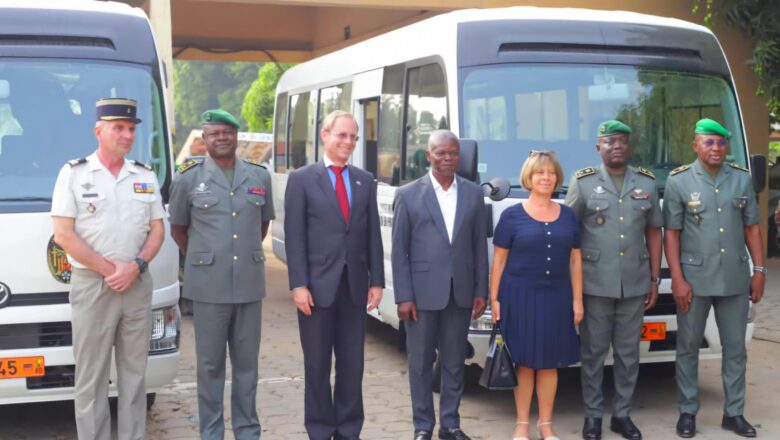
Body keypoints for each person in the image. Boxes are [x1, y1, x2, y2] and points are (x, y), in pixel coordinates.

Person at [51, 98, 165, 440]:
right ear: (98, 130)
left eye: (131, 128)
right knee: (91, 378)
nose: (127, 135)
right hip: (92, 287)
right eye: (119, 128)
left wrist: (136, 266)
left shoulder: (144, 175)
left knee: (135, 376)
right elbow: (63, 234)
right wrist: (110, 270)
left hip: (136, 285)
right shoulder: (74, 173)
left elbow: (157, 230)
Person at [168, 109, 275, 440]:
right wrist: (208, 257)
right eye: (214, 134)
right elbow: (178, 229)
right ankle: (211, 433)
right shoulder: (187, 178)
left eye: (227, 132)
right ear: (204, 139)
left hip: (248, 285)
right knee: (210, 368)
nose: (222, 138)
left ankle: (247, 432)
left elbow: (262, 225)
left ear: (237, 136)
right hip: (208, 287)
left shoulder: (258, 176)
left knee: (247, 369)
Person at [284, 110, 384, 440]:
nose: (349, 142)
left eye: (354, 137)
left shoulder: (364, 179)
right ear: (325, 135)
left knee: (352, 364)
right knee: (316, 365)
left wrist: (377, 281)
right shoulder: (301, 179)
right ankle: (319, 429)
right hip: (315, 288)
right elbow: (294, 235)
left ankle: (348, 429)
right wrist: (298, 284)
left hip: (354, 287)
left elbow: (372, 235)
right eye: (342, 135)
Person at [663, 118, 765, 439]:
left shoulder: (741, 180)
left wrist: (759, 270)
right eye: (708, 142)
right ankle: (687, 412)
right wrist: (677, 278)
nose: (716, 148)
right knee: (688, 347)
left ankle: (733, 413)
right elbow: (672, 234)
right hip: (693, 280)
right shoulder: (679, 181)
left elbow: (752, 228)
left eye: (721, 143)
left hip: (735, 278)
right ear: (695, 145)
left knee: (735, 349)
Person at [564, 120, 663, 440]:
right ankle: (592, 416)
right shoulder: (584, 182)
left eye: (622, 140)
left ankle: (622, 414)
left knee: (628, 352)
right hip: (595, 283)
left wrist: (654, 278)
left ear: (629, 146)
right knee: (593, 352)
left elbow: (653, 231)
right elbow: (570, 232)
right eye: (610, 141)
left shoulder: (646, 182)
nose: (617, 146)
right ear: (599, 147)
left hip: (634, 282)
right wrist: (573, 284)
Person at [391, 130, 489, 440]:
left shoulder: (473, 194)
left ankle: (450, 424)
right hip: (420, 296)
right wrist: (403, 296)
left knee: (454, 362)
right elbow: (399, 251)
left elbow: (478, 248)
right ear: (428, 155)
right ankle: (423, 426)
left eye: (453, 153)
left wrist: (480, 290)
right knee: (419, 364)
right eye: (441, 153)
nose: (448, 159)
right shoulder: (407, 194)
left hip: (459, 293)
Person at [490, 151, 583, 440]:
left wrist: (577, 300)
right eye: (540, 173)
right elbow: (500, 260)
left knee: (549, 362)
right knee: (525, 362)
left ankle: (546, 425)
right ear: (528, 179)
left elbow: (575, 260)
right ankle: (521, 424)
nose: (546, 177)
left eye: (551, 173)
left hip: (557, 297)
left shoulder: (568, 215)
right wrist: (494, 299)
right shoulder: (511, 215)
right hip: (519, 295)